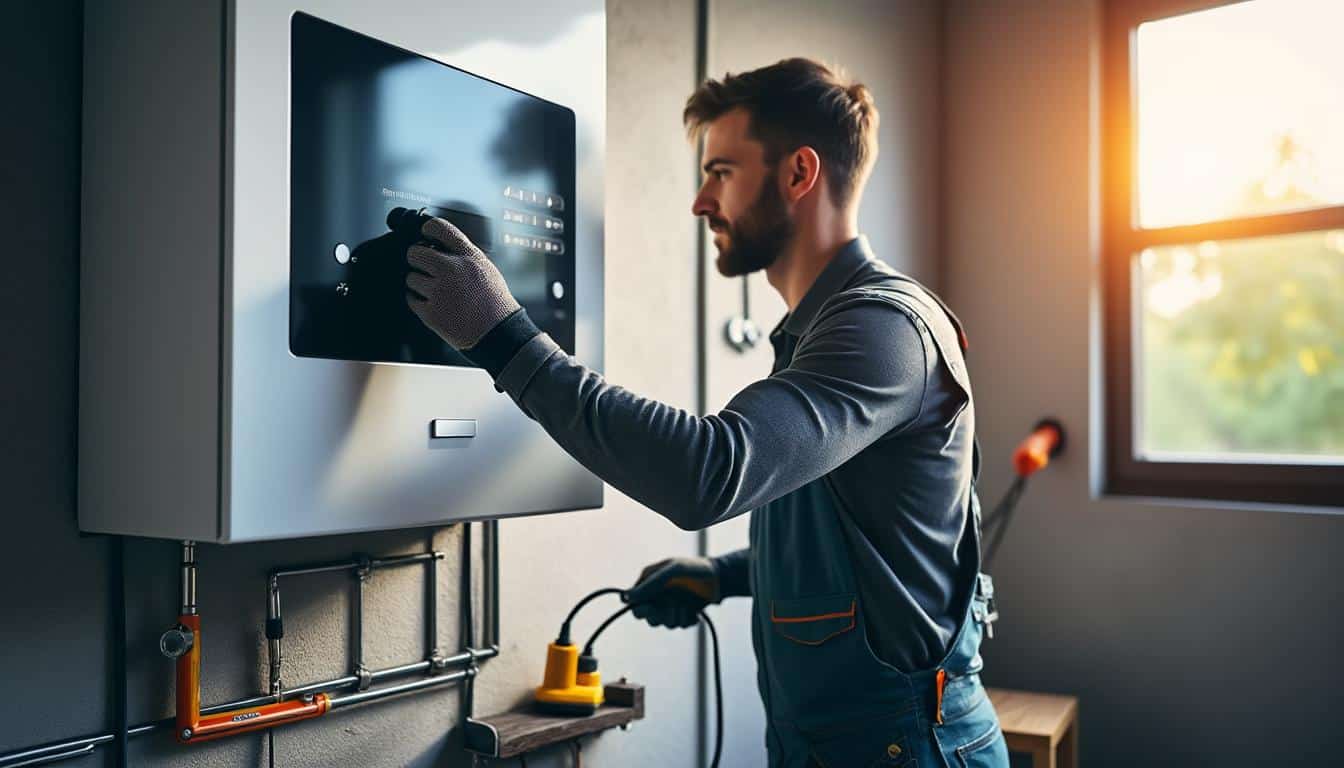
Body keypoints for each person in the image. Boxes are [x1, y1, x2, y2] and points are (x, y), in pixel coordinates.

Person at [402, 57, 1008, 768]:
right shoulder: (823, 332)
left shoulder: (879, 328)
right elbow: (868, 539)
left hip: (911, 750)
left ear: (798, 173)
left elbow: (710, 472)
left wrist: (503, 337)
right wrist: (724, 576)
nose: (700, 201)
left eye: (721, 171)